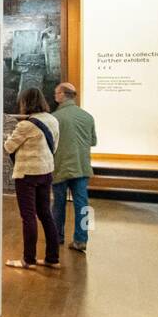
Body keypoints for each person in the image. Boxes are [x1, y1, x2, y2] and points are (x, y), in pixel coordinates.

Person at [4, 87, 61, 270]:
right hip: (46, 171)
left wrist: (6, 137)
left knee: (28, 216)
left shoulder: (26, 125)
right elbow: (55, 144)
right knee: (46, 214)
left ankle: (28, 259)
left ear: (25, 103)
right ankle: (53, 258)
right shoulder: (52, 119)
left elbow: (8, 147)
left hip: (27, 174)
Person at [51, 82, 97, 253]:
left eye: (56, 93)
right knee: (83, 204)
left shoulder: (55, 118)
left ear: (63, 94)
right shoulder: (88, 117)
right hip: (82, 166)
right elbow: (93, 141)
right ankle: (81, 239)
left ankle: (57, 236)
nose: (55, 96)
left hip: (61, 166)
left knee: (58, 204)